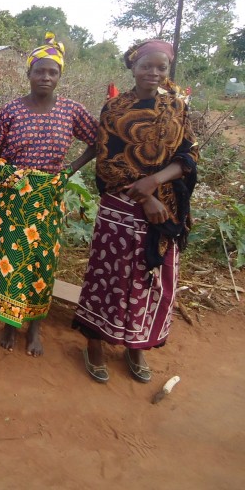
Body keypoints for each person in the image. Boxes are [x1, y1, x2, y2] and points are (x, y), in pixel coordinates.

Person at [73, 39, 198, 384]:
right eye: (146, 66)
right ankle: (95, 343)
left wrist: (155, 182)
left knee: (149, 279)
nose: (153, 73)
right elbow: (108, 163)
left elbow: (189, 155)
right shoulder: (115, 109)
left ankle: (136, 343)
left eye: (161, 67)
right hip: (121, 206)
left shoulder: (177, 107)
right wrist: (145, 196)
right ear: (133, 66)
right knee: (110, 275)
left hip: (166, 207)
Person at [0, 33, 98, 356]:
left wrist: (71, 168)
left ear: (59, 76)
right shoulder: (12, 109)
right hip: (12, 195)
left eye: (52, 72)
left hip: (47, 196)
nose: (45, 77)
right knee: (11, 260)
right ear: (28, 74)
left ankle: (35, 328)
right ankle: (10, 325)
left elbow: (98, 140)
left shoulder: (71, 110)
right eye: (39, 71)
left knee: (42, 261)